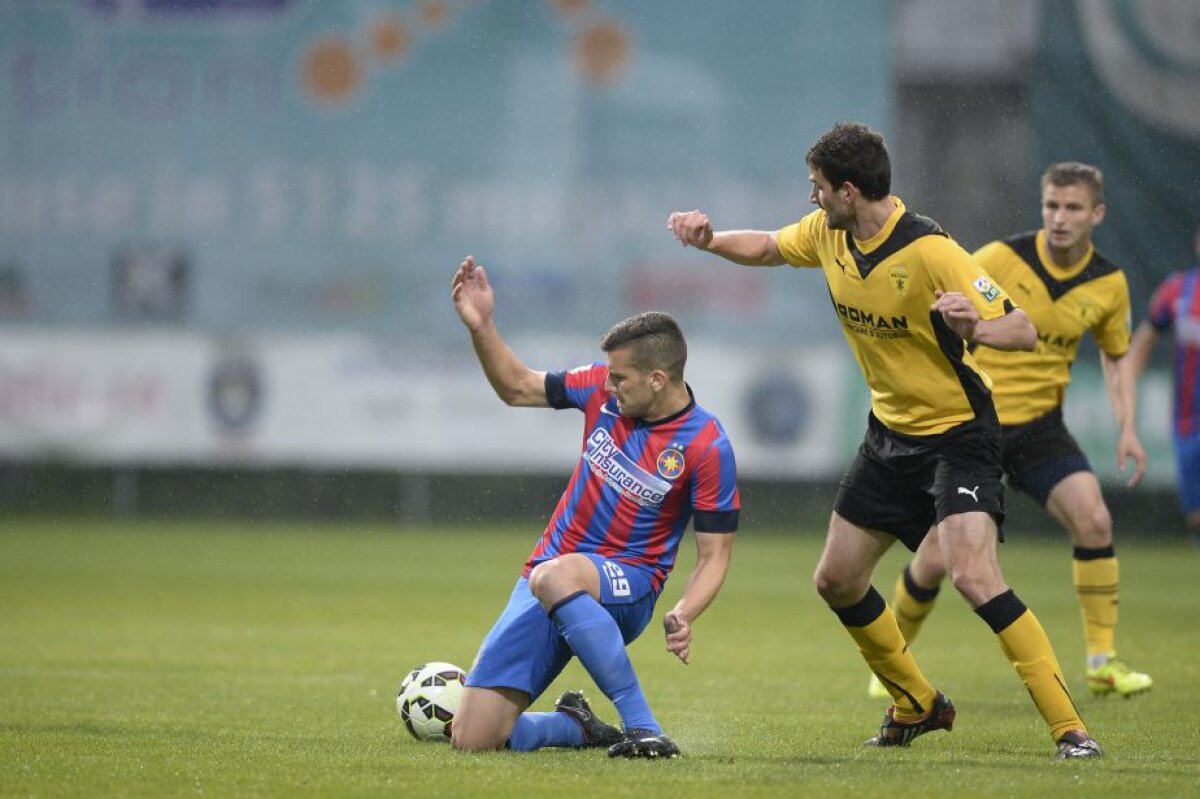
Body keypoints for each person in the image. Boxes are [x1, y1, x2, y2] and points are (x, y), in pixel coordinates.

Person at [667, 122, 1101, 759]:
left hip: (960, 435)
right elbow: (764, 246)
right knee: (837, 580)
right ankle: (918, 703)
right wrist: (709, 242)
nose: (810, 200)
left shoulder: (932, 250)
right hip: (889, 436)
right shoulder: (827, 233)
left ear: (848, 191)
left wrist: (974, 329)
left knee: (976, 577)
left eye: (817, 189)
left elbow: (1022, 328)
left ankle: (1072, 732)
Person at [864, 162, 1152, 702]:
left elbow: (1116, 359)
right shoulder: (999, 258)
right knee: (936, 557)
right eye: (1051, 206)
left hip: (1041, 427)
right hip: (979, 423)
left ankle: (1101, 662)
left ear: (1097, 214)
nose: (1059, 218)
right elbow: (946, 319)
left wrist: (1129, 428)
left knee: (1093, 518)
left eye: (1071, 208)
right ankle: (893, 663)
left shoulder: (1109, 283)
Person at [448, 255, 740, 759]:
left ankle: (643, 727)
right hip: (548, 576)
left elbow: (714, 555)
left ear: (657, 379)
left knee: (556, 576)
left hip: (630, 585)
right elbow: (516, 387)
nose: (607, 386)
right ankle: (577, 726)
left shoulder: (706, 445)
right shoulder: (598, 392)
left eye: (619, 378)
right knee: (473, 739)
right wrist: (483, 327)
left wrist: (685, 610)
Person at [1127, 222, 1200, 549]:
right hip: (1189, 423)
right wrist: (1125, 386)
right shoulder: (1178, 291)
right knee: (1196, 516)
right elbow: (1143, 343)